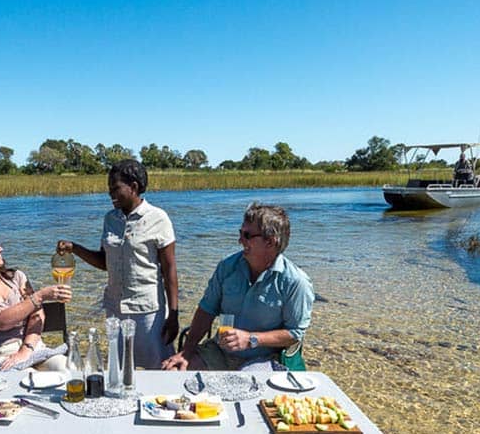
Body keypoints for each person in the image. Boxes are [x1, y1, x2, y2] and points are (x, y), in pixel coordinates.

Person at [57, 158, 180, 368]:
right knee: (121, 367)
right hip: (115, 307)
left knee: (157, 367)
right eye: (109, 188)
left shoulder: (158, 218)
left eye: (115, 188)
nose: (110, 194)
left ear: (133, 187)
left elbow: (169, 271)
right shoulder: (110, 219)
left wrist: (174, 314)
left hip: (147, 309)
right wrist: (75, 248)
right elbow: (105, 262)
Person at [162, 203, 313, 372]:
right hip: (220, 352)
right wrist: (187, 351)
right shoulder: (227, 267)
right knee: (174, 372)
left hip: (264, 357)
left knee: (246, 385)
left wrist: (251, 339)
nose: (240, 240)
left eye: (247, 235)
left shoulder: (296, 282)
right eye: (240, 233)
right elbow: (207, 310)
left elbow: (294, 333)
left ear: (270, 242)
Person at [0, 228, 72, 372]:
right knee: (27, 378)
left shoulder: (17, 277)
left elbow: (37, 314)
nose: (1, 249)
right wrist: (40, 296)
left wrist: (26, 349)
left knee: (68, 367)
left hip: (34, 348)